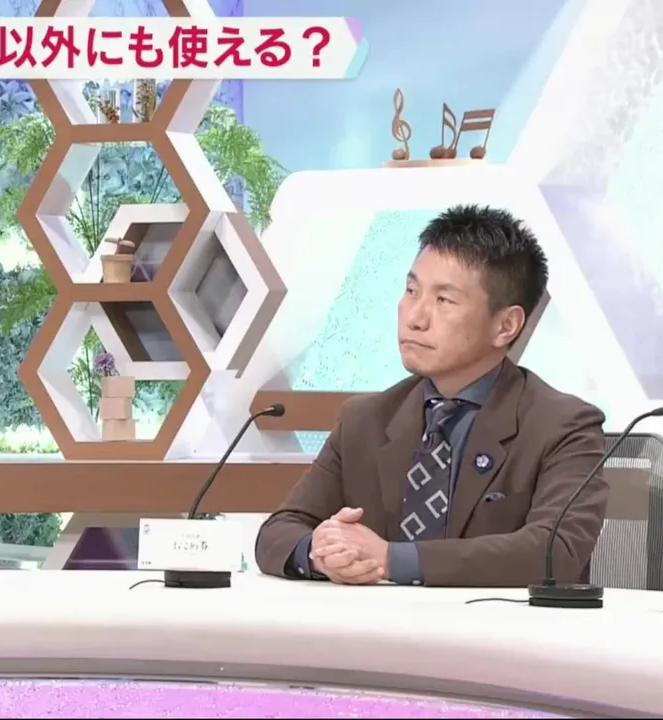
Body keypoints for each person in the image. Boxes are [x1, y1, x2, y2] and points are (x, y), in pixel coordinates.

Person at [254, 204, 608, 588]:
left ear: (506, 325)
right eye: (411, 291)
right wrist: (320, 552)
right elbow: (279, 531)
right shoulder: (365, 419)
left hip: (497, 624)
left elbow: (555, 552)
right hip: (373, 625)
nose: (415, 318)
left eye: (444, 301)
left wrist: (391, 559)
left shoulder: (563, 426)